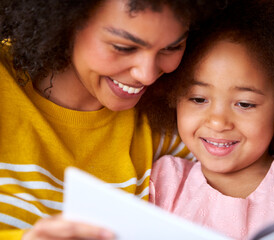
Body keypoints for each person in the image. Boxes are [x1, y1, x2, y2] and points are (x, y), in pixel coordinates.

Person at [0, 0, 223, 239]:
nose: (146, 75)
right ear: (65, 23)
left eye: (172, 47)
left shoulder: (175, 120)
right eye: (123, 47)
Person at [140, 0, 274, 239]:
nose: (218, 122)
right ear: (172, 96)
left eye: (244, 104)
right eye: (198, 99)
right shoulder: (162, 183)